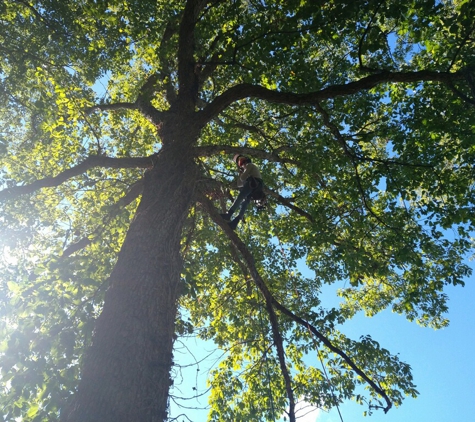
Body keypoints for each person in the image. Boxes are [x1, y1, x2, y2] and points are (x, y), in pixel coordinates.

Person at [220, 154, 263, 230]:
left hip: (254, 182)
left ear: (246, 161)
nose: (242, 164)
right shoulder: (248, 172)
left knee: (240, 197)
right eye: (240, 163)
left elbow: (242, 179)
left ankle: (229, 214)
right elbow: (239, 184)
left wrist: (242, 174)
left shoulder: (250, 165)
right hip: (255, 186)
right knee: (245, 203)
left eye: (242, 162)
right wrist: (240, 173)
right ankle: (236, 221)